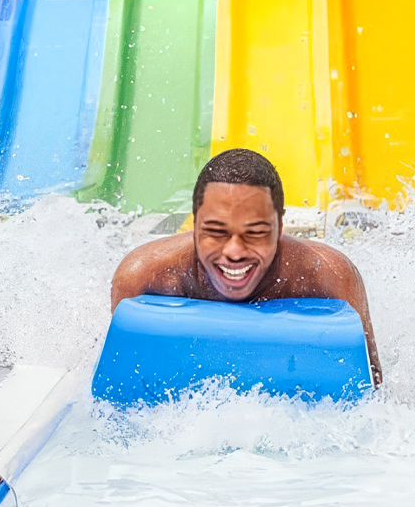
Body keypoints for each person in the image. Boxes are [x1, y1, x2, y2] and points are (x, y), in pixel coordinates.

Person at [110, 148, 382, 384]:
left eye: (255, 233)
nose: (235, 252)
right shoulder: (143, 276)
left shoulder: (329, 276)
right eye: (216, 231)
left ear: (279, 229)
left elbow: (374, 384)